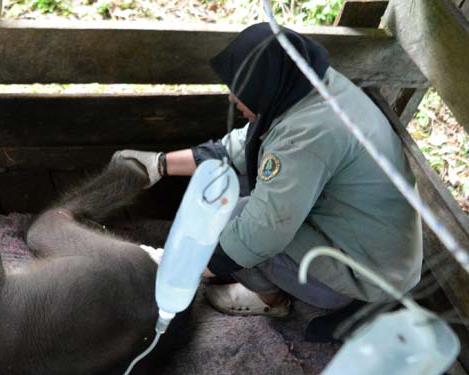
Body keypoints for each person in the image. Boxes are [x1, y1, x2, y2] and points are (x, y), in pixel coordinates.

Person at [113, 23, 423, 335]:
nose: (234, 99)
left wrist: (176, 270)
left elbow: (260, 235)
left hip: (367, 275)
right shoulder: (306, 87)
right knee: (246, 188)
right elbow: (243, 146)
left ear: (267, 87)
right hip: (366, 236)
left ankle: (273, 300)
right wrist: (158, 164)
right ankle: (274, 283)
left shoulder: (307, 137)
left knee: (231, 220)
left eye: (241, 91)